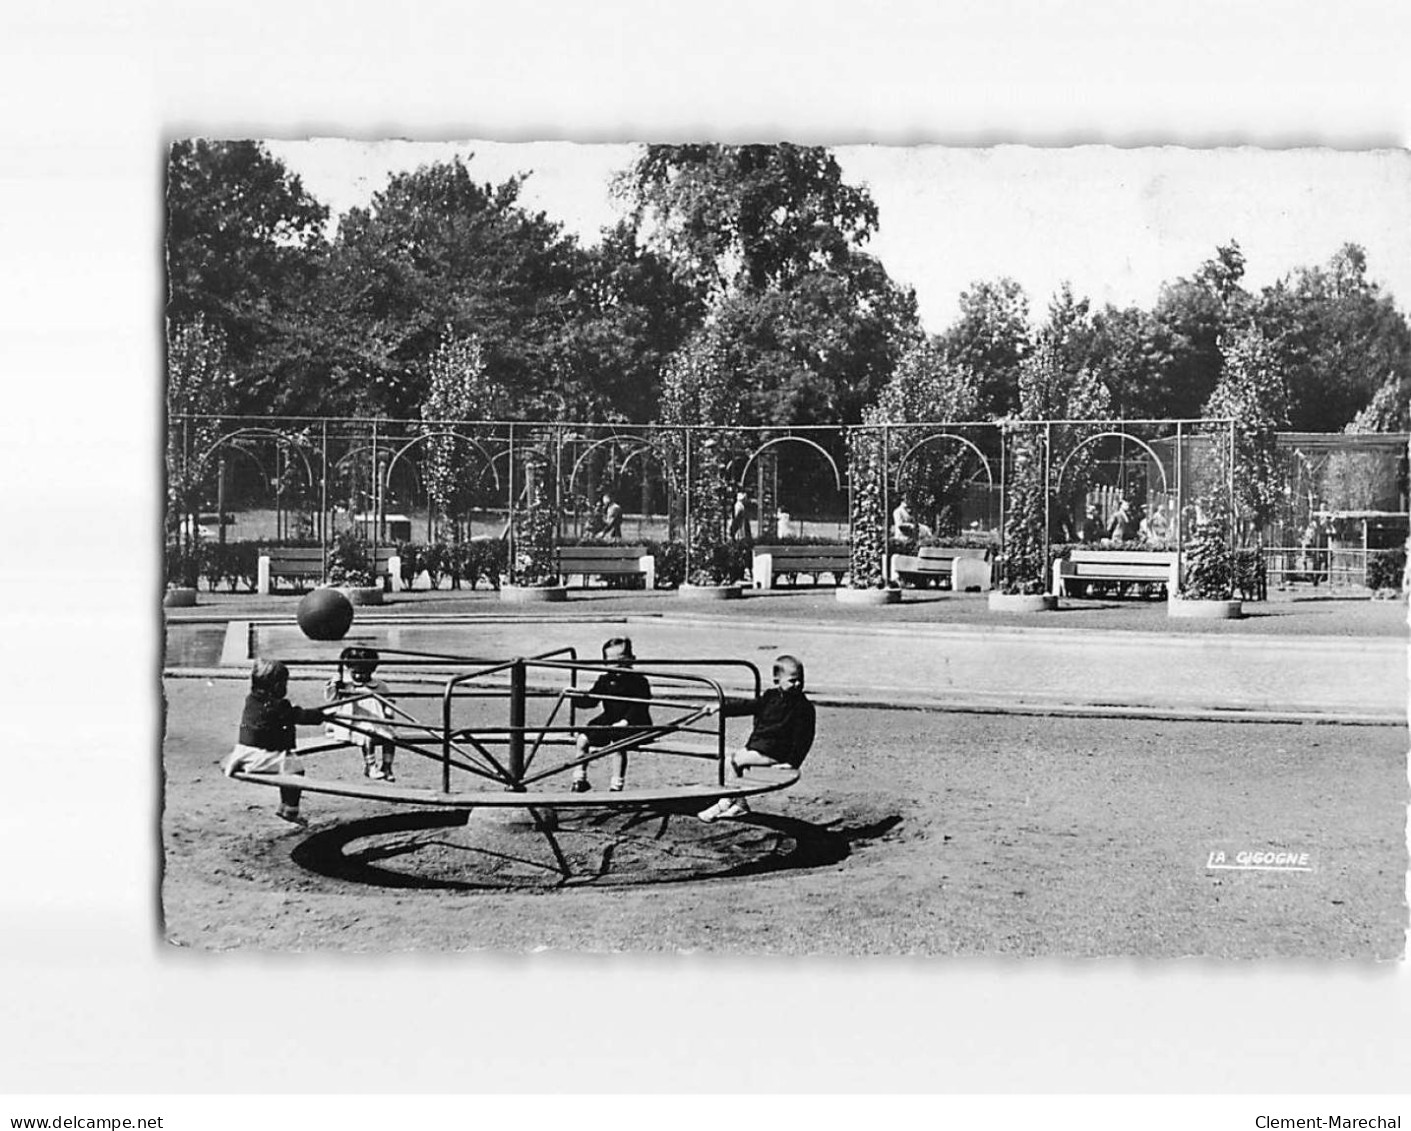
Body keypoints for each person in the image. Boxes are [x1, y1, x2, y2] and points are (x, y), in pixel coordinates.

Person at [698, 654, 816, 823]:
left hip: (778, 752)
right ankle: (739, 804)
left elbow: (804, 738)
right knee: (736, 761)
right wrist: (720, 706)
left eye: (800, 680)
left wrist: (792, 762)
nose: (797, 685)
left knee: (736, 760)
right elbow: (749, 706)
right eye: (792, 681)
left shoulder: (803, 706)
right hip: (761, 746)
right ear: (777, 680)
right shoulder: (770, 696)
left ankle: (724, 802)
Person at [221, 659, 328, 827]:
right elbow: (298, 716)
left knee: (286, 765)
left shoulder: (252, 699)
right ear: (277, 686)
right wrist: (319, 716)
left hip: (245, 752)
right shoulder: (278, 705)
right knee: (295, 770)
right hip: (259, 755)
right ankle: (290, 809)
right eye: (284, 683)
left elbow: (291, 714)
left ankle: (285, 806)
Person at [569, 637, 653, 793]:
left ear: (632, 659)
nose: (618, 665)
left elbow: (640, 706)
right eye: (612, 661)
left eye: (622, 659)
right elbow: (592, 700)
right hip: (610, 718)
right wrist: (575, 697)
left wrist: (626, 721)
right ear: (605, 663)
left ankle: (616, 785)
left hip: (635, 722)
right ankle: (579, 778)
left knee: (618, 744)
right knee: (583, 739)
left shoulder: (639, 681)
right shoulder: (605, 680)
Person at [324, 645, 396, 782]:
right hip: (353, 723)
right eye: (355, 672)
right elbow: (331, 698)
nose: (359, 676)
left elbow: (388, 702)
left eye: (364, 672)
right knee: (367, 734)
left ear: (372, 670)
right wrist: (334, 684)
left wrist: (388, 712)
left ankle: (387, 766)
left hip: (376, 721)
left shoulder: (379, 685)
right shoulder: (347, 685)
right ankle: (370, 766)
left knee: (390, 737)